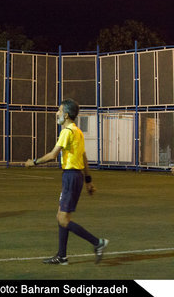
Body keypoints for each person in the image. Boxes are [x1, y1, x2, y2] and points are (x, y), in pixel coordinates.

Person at [25, 98, 108, 265]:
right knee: (60, 217)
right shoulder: (78, 132)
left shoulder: (67, 132)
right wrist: (89, 181)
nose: (57, 113)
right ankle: (61, 256)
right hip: (74, 177)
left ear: (67, 115)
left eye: (59, 111)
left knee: (63, 220)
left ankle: (97, 243)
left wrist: (33, 162)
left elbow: (52, 155)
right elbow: (84, 157)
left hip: (70, 177)